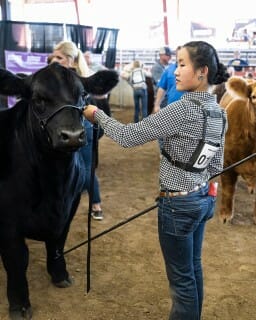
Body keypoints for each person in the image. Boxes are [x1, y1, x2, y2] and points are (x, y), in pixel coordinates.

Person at [83, 40, 229, 320]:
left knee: (182, 280)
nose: (175, 70)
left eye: (182, 64)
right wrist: (206, 194)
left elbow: (127, 137)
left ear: (202, 72)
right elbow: (217, 164)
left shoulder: (181, 110)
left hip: (178, 204)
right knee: (193, 268)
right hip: (203, 199)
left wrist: (97, 115)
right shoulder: (219, 113)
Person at [51, 41, 104, 220]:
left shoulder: (75, 81)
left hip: (82, 126)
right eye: (53, 57)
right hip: (74, 126)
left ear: (72, 60)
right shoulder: (71, 79)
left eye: (59, 57)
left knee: (86, 168)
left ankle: (96, 205)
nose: (54, 61)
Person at [84, 50, 112, 116]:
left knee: (104, 113)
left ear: (91, 58)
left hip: (98, 95)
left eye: (87, 57)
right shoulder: (83, 67)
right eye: (84, 57)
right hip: (89, 96)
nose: (85, 58)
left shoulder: (96, 65)